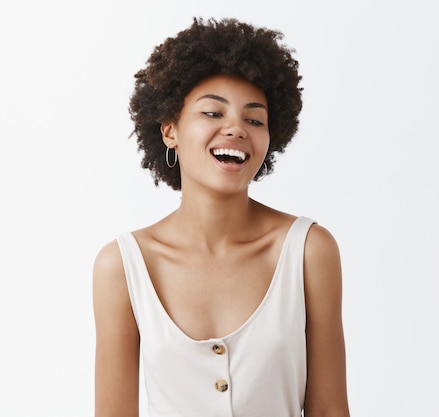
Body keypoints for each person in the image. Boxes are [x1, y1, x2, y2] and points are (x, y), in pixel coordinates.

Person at [92, 17, 350, 417]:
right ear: (169, 130)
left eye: (254, 119)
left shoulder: (309, 251)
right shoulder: (123, 266)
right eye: (213, 113)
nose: (235, 129)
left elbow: (330, 409)